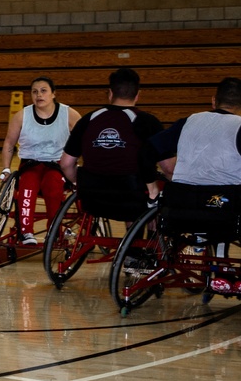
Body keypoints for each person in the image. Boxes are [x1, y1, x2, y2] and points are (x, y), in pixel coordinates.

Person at [146, 77, 241, 293]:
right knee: (227, 203)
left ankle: (203, 248)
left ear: (213, 101)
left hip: (179, 206)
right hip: (222, 210)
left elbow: (147, 151)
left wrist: (152, 186)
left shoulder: (188, 121)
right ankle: (222, 271)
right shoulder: (239, 126)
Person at [59, 68, 163, 217]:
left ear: (110, 93)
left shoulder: (88, 119)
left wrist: (79, 183)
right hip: (132, 199)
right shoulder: (148, 122)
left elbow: (66, 164)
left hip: (92, 198)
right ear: (138, 95)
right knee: (154, 187)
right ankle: (142, 236)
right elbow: (169, 168)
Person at [0, 76, 81, 245]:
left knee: (53, 188)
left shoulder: (69, 114)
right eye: (35, 92)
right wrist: (6, 168)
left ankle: (54, 231)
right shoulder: (22, 115)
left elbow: (85, 139)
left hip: (57, 165)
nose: (39, 95)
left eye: (44, 91)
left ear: (53, 94)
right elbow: (9, 142)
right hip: (30, 164)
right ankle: (26, 232)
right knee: (27, 187)